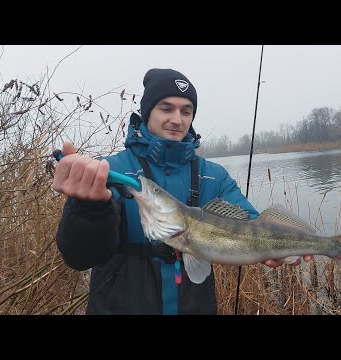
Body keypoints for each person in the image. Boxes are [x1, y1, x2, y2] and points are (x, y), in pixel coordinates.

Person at [53, 68, 311, 315]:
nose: (177, 119)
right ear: (147, 112)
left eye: (186, 111)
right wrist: (90, 208)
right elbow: (79, 257)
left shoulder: (214, 176)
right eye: (166, 108)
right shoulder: (110, 171)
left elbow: (253, 224)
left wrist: (277, 247)